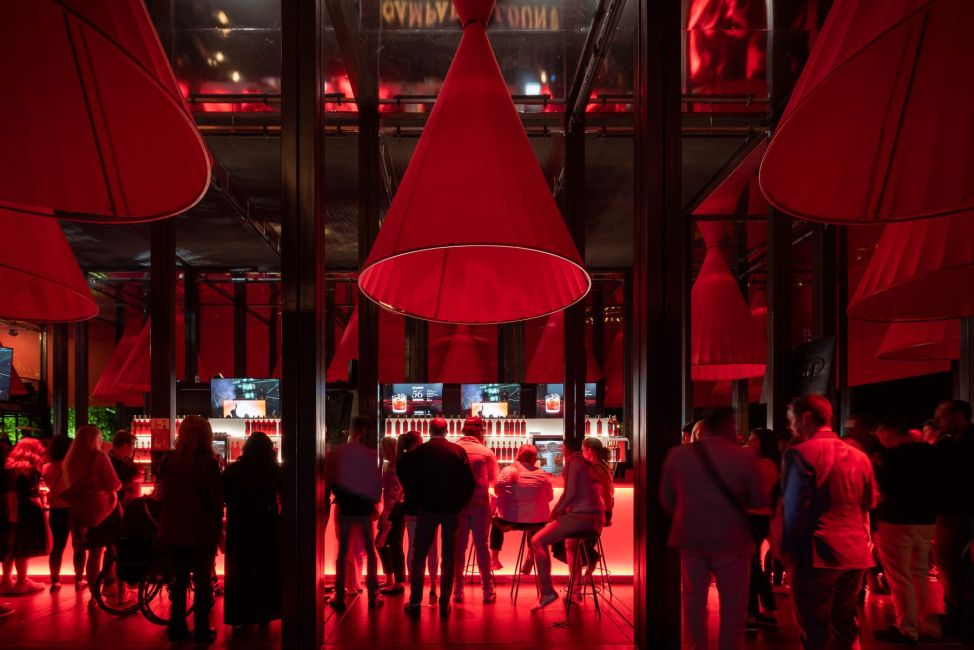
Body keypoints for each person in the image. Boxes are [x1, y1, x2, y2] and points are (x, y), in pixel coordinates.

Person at [660, 408, 765, 650]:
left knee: (693, 601)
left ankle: (696, 647)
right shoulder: (744, 457)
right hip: (732, 540)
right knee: (732, 605)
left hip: (691, 537)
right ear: (727, 427)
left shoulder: (678, 455)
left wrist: (686, 516)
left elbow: (667, 497)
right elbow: (758, 499)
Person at [780, 395, 877, 650]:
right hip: (856, 553)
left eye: (791, 420)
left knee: (814, 626)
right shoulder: (860, 456)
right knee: (844, 622)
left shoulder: (799, 454)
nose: (790, 426)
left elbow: (794, 510)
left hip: (818, 554)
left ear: (805, 418)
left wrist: (787, 553)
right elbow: (868, 503)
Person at [872, 416, 941, 644]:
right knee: (919, 573)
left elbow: (883, 490)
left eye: (881, 437)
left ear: (889, 434)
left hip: (896, 520)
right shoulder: (932, 453)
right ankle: (924, 624)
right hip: (926, 520)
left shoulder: (891, 458)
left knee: (900, 577)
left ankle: (907, 629)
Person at [397, 417, 474, 618]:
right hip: (451, 511)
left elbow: (410, 482)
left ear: (429, 431)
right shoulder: (458, 451)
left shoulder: (420, 452)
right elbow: (469, 483)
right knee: (449, 556)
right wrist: (460, 505)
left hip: (427, 510)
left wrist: (419, 503)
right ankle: (445, 602)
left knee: (419, 555)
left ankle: (415, 601)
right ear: (446, 431)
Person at [157, 416, 224, 644]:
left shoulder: (168, 460)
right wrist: (218, 529)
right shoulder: (209, 463)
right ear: (207, 435)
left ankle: (176, 630)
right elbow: (216, 501)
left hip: (172, 529)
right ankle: (202, 632)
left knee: (179, 581)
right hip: (200, 530)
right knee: (202, 583)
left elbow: (161, 495)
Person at [530, 437, 606, 612]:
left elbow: (570, 493)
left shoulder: (573, 462)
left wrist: (555, 512)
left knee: (537, 541)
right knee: (571, 544)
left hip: (582, 517)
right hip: (594, 517)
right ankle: (575, 592)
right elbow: (571, 490)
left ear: (565, 447)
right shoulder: (583, 462)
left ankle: (547, 592)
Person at [324, 415, 383, 611]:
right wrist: (373, 503)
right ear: (364, 431)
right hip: (364, 508)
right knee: (369, 552)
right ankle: (373, 595)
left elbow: (330, 480)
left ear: (349, 429)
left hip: (345, 507)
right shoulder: (370, 454)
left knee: (342, 552)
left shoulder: (337, 453)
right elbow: (375, 484)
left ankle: (340, 595)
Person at [223, 431, 281, 627]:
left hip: (239, 525)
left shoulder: (233, 470)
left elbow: (223, 495)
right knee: (265, 570)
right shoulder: (273, 470)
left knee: (239, 571)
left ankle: (239, 617)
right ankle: (264, 615)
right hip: (266, 525)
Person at [931, 399, 974, 638]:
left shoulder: (957, 445)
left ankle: (958, 619)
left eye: (942, 416)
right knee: (954, 566)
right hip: (955, 512)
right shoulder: (952, 443)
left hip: (958, 512)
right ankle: (958, 615)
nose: (938, 421)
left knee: (949, 564)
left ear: (958, 415)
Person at [62, 425, 122, 590]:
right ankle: (111, 586)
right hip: (103, 510)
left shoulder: (71, 459)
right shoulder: (99, 456)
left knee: (92, 554)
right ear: (96, 440)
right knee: (107, 551)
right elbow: (114, 484)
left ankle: (93, 595)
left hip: (81, 511)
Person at [453, 417, 498, 604]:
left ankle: (457, 590)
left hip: (457, 505)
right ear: (480, 432)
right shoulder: (486, 452)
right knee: (482, 548)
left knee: (458, 549)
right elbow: (494, 482)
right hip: (480, 504)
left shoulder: (453, 449)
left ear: (463, 431)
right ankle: (487, 590)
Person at [489, 444, 553, 572]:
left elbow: (497, 492)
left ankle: (494, 559)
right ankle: (529, 556)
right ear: (534, 458)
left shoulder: (505, 472)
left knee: (496, 522)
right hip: (537, 523)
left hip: (507, 522)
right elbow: (549, 497)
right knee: (534, 524)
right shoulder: (542, 475)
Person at [398, 431, 440, 606]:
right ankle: (433, 585)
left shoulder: (401, 460)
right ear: (419, 441)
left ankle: (414, 586)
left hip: (410, 508)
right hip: (429, 508)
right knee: (432, 548)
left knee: (413, 548)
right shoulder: (425, 458)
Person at [2, 437, 49, 594]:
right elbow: (32, 491)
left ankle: (6, 580)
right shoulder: (31, 469)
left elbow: (11, 492)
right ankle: (22, 581)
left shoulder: (10, 467)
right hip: (29, 509)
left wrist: (11, 513)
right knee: (25, 547)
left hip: (12, 509)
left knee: (12, 546)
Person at [745, 428, 780, 629]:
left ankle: (753, 612)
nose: (749, 442)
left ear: (762, 443)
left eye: (753, 439)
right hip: (759, 517)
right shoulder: (768, 463)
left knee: (750, 566)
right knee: (753, 565)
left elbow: (750, 491)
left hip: (755, 517)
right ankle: (765, 610)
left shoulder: (764, 465)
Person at [42, 435, 85, 593]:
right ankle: (79, 579)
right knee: (78, 546)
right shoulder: (75, 466)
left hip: (56, 509)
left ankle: (55, 581)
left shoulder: (46, 467)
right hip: (74, 509)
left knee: (57, 547)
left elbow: (46, 485)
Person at [377, 435, 406, 595]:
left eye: (383, 448)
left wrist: (386, 512)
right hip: (393, 508)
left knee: (393, 545)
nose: (381, 451)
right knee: (386, 544)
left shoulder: (396, 467)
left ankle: (397, 581)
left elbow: (394, 492)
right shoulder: (390, 466)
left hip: (395, 509)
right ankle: (392, 579)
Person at [581, 437, 614, 575]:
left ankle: (591, 558)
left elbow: (598, 494)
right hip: (604, 513)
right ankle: (589, 557)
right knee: (578, 541)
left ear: (589, 450)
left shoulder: (594, 468)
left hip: (596, 514)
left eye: (583, 450)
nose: (582, 454)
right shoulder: (604, 466)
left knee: (567, 540)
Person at [108, 431, 141, 506]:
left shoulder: (124, 459)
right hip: (120, 504)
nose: (133, 449)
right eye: (132, 446)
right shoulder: (112, 461)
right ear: (125, 445)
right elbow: (117, 485)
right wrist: (134, 479)